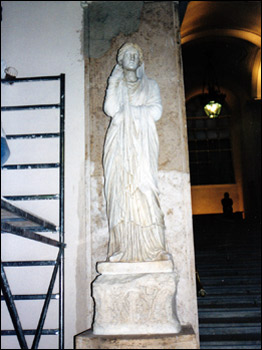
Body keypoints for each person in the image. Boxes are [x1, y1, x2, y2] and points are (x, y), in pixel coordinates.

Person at [103, 43, 171, 262]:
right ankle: (122, 249)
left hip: (142, 146)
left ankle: (155, 248)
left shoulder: (150, 85)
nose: (131, 57)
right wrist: (113, 81)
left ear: (140, 61)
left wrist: (129, 114)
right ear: (120, 60)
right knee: (121, 194)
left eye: (135, 55)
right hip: (119, 145)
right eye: (127, 55)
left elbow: (157, 111)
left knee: (146, 191)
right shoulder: (117, 84)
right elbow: (110, 109)